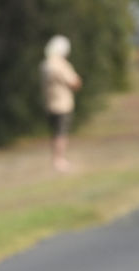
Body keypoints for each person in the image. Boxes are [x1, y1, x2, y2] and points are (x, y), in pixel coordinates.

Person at [40, 34, 83, 172]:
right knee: (61, 133)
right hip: (62, 104)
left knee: (55, 133)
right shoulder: (60, 64)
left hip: (49, 103)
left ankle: (56, 159)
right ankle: (59, 160)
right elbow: (74, 82)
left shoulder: (45, 64)